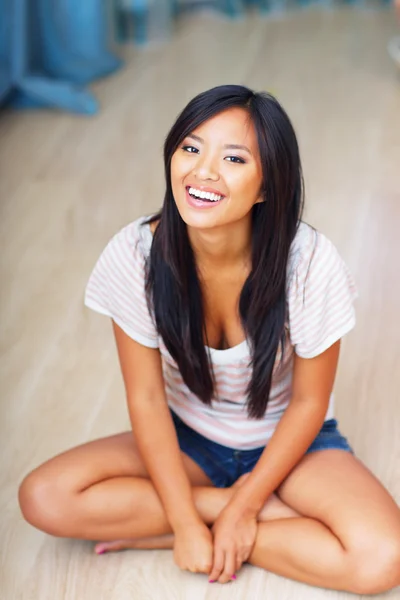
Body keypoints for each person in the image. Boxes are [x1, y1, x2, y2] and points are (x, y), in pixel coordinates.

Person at [18, 85, 400, 592]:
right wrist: (183, 522)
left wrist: (245, 506)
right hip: (188, 441)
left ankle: (182, 523)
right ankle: (239, 519)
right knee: (44, 496)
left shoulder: (309, 263)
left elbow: (309, 403)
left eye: (234, 158)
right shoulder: (133, 254)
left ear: (267, 186)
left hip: (291, 444)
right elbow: (147, 397)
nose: (203, 172)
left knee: (381, 559)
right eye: (191, 148)